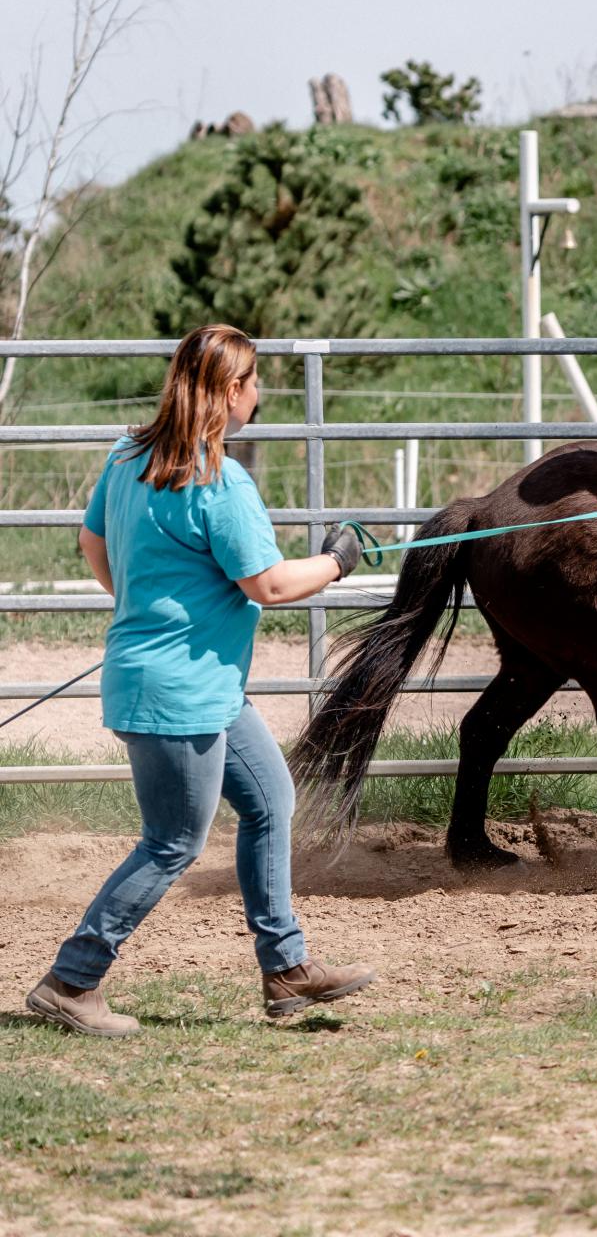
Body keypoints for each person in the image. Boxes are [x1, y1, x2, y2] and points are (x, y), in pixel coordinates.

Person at [25, 325, 374, 1037]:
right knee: (171, 843)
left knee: (272, 801)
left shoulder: (128, 458)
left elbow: (93, 543)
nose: (260, 394)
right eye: (252, 382)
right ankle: (71, 979)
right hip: (180, 694)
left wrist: (142, 605)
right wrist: (339, 559)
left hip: (190, 684)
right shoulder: (219, 478)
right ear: (226, 392)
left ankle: (286, 971)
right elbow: (272, 585)